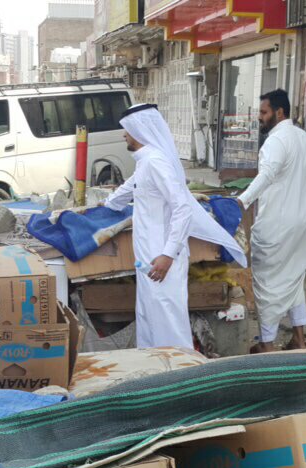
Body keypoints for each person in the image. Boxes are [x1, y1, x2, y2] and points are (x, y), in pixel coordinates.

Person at [104, 104, 246, 349]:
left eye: (126, 129)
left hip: (163, 259)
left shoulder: (156, 163)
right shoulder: (144, 163)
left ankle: (182, 375)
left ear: (138, 130)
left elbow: (182, 209)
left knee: (169, 324)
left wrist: (168, 255)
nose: (123, 135)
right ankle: (156, 374)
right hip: (149, 259)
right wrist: (105, 202)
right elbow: (118, 198)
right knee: (150, 321)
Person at [236, 90, 306, 353]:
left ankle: (267, 344)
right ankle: (298, 339)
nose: (260, 119)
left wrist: (241, 202)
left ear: (279, 113)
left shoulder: (276, 141)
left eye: (264, 113)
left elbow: (267, 175)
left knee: (266, 282)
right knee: (293, 277)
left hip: (278, 224)